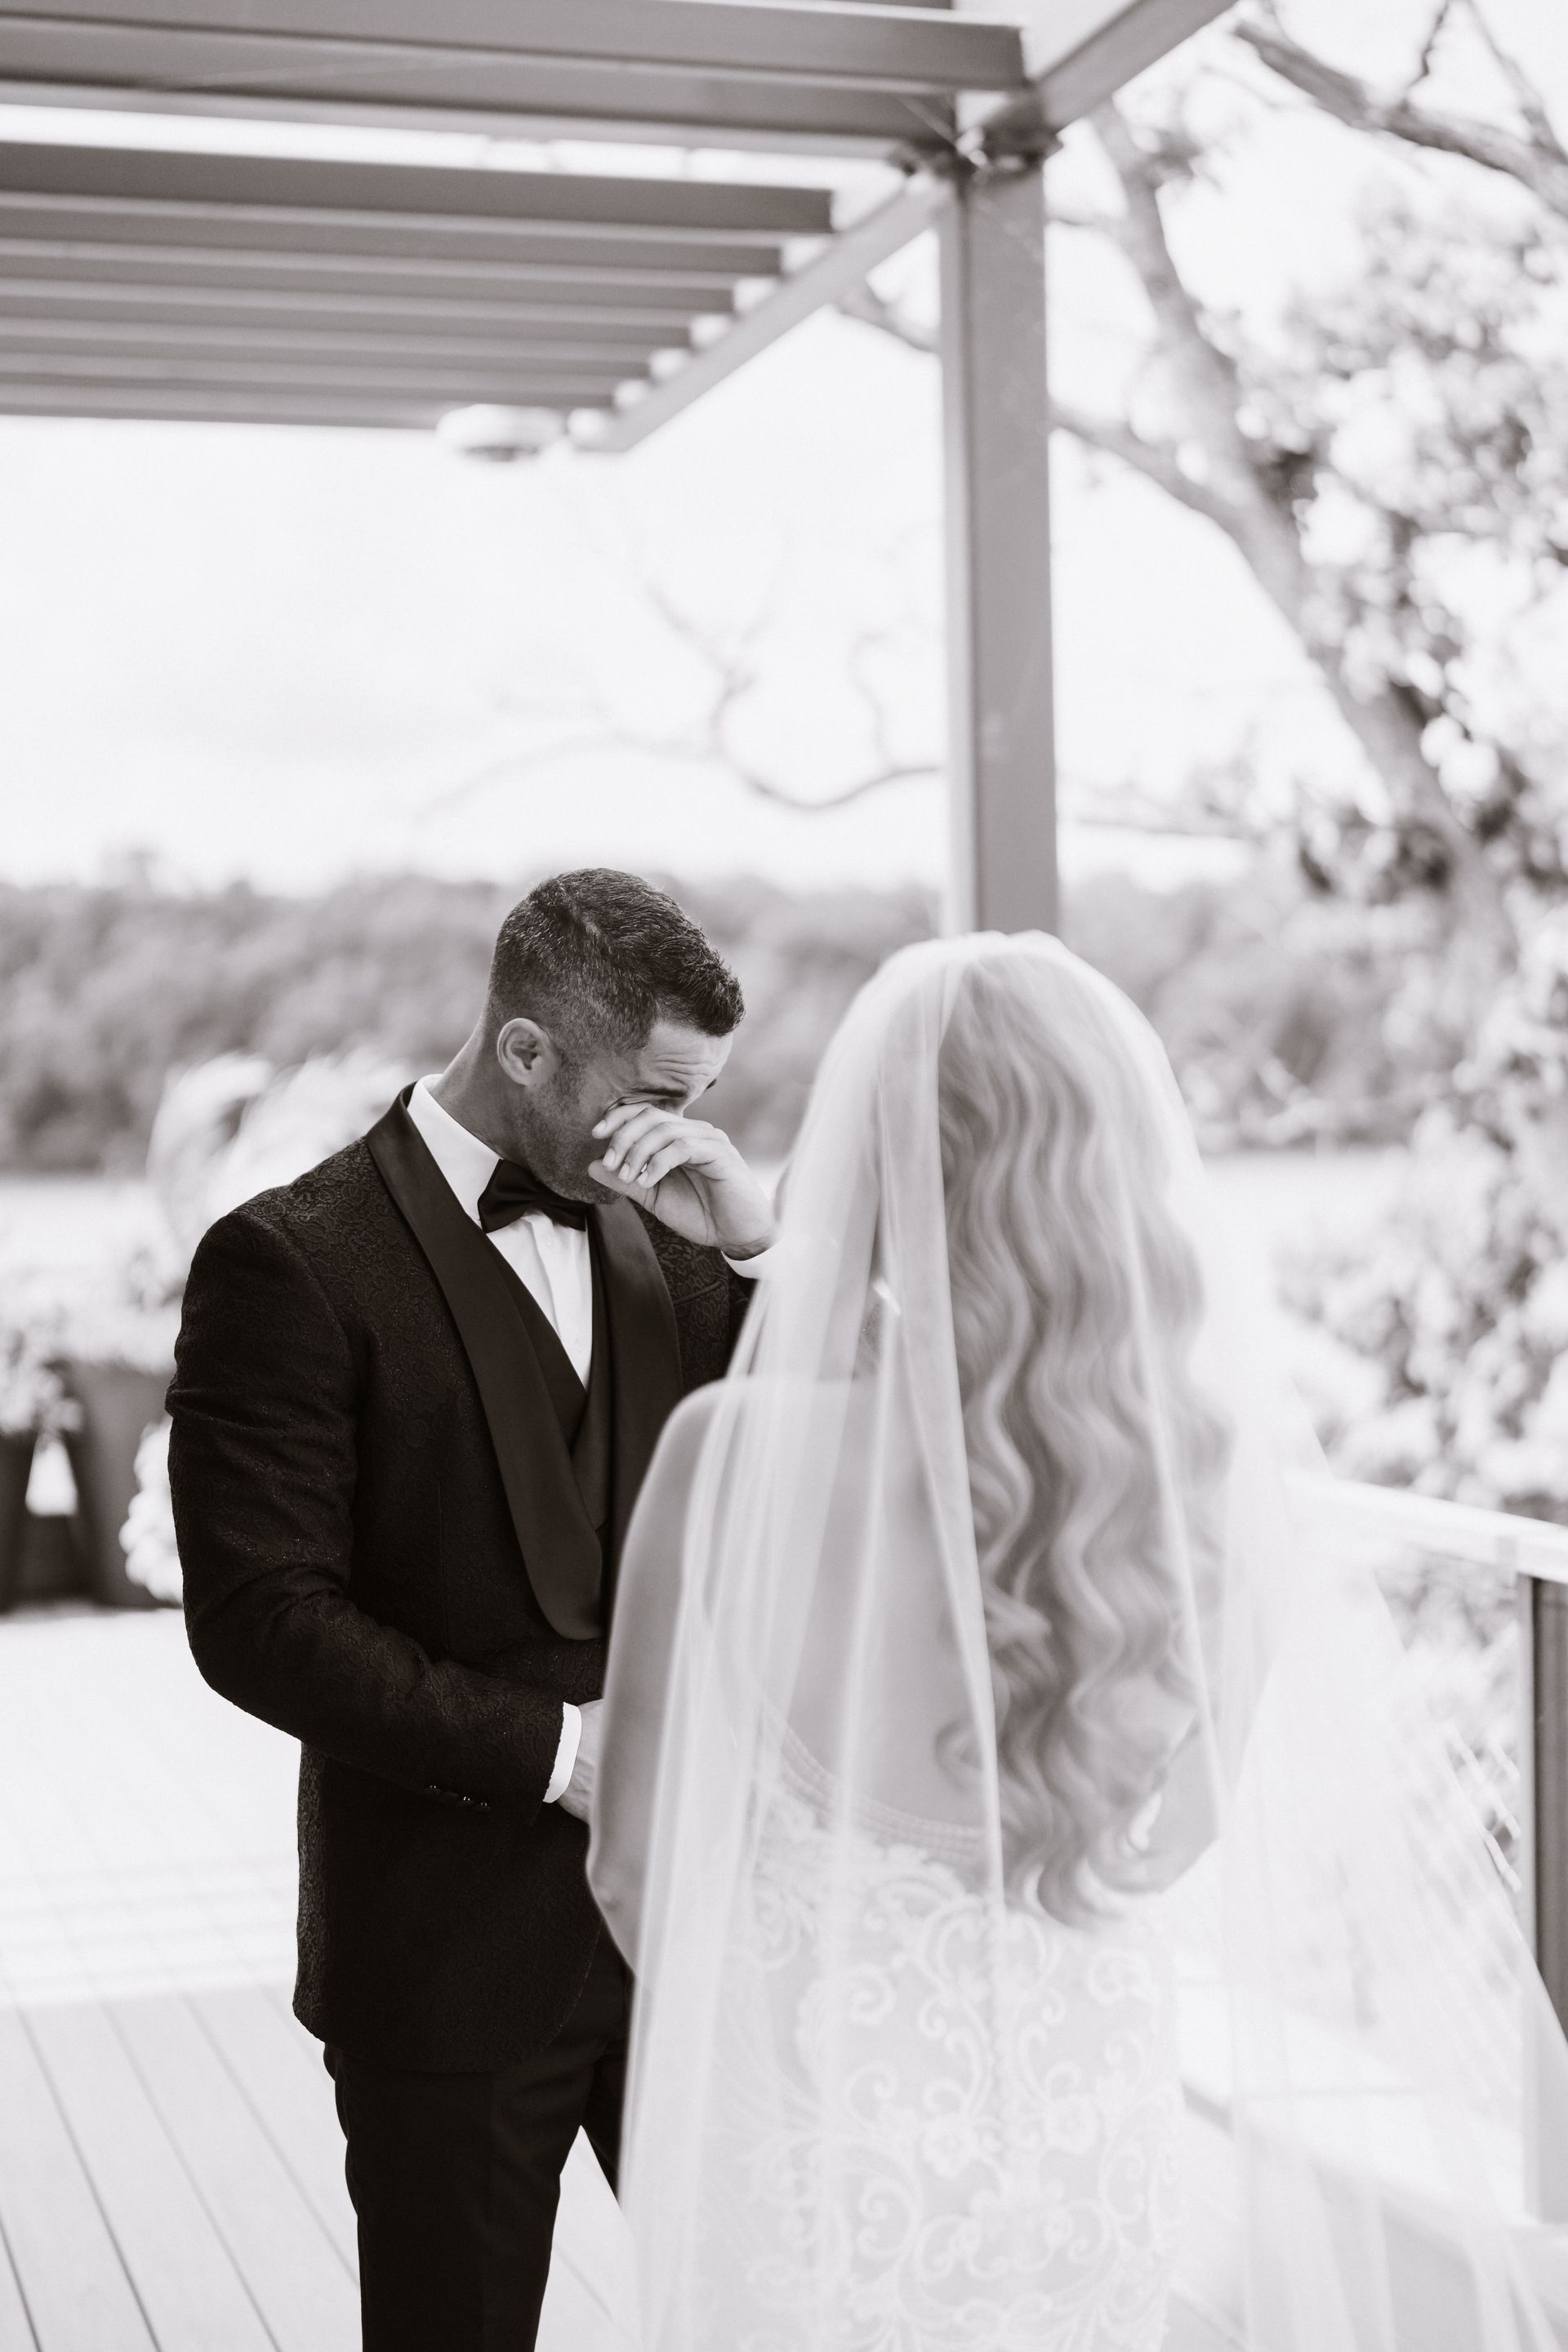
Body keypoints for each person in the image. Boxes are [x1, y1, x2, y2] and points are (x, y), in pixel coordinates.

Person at [590, 931, 1568, 2352]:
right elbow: (1173, 1846)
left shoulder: (729, 1455)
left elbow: (632, 1874)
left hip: (814, 2163)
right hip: (1078, 2157)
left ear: (877, 1168)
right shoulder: (1201, 1492)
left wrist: (776, 2033)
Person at [167, 869, 777, 2352]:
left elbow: (842, 1466)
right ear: (524, 1049)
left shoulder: (687, 1230)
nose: (678, 1132)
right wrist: (559, 1754)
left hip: (701, 1941)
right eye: (655, 1094)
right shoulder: (289, 1259)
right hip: (445, 1955)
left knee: (781, 2314)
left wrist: (757, 1249)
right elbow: (260, 1618)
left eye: (700, 1100)